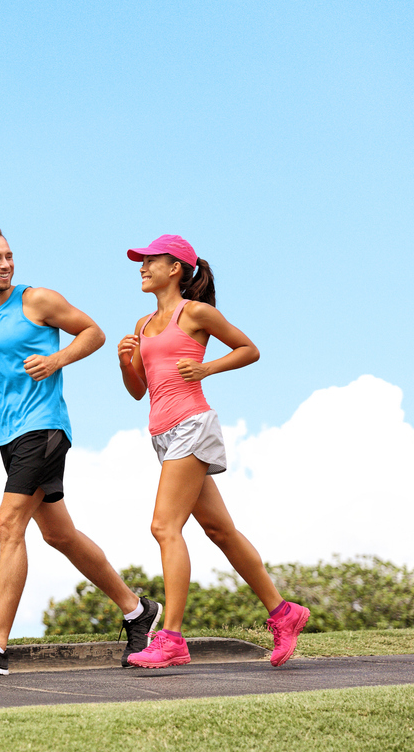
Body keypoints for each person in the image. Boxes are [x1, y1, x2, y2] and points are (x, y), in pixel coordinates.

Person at [0, 225, 159, 675]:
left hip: (44, 427)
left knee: (7, 523)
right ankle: (138, 611)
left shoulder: (35, 300)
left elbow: (93, 333)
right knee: (59, 535)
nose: (5, 264)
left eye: (9, 256)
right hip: (9, 435)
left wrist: (57, 360)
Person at [116, 234, 309, 669]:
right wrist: (126, 361)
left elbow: (249, 349)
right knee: (220, 531)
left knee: (164, 527)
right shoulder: (143, 325)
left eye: (151, 261)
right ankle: (284, 612)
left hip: (192, 425)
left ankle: (171, 638)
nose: (143, 267)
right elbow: (137, 391)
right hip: (162, 433)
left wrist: (207, 367)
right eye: (141, 262)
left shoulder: (196, 312)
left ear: (177, 269)